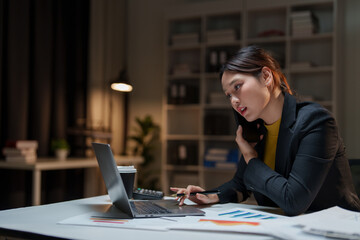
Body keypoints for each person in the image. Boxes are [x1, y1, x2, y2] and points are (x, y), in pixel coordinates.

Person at [171, 45, 360, 216]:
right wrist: (211, 196)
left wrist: (251, 158)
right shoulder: (258, 128)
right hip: (285, 229)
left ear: (266, 77)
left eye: (237, 87)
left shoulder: (316, 122)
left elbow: (293, 201)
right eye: (228, 95)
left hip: (335, 229)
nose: (233, 101)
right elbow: (241, 184)